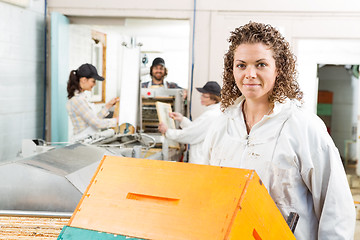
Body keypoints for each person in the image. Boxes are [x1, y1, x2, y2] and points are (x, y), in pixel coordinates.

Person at [201, 22, 355, 239]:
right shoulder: (220, 126)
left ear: (279, 68)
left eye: (261, 64)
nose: (250, 74)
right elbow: (209, 195)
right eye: (241, 65)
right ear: (231, 69)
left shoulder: (304, 127)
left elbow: (336, 209)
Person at [158, 81, 222, 164]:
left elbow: (190, 135)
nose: (201, 98)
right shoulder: (215, 112)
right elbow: (197, 129)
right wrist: (182, 119)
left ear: (214, 99)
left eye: (204, 96)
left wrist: (167, 131)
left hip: (201, 161)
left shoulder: (211, 115)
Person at [66, 63, 119, 141]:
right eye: (93, 81)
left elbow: (93, 120)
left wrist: (108, 106)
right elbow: (96, 123)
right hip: (82, 143)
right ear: (84, 80)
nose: (94, 84)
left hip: (87, 140)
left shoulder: (82, 97)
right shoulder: (77, 100)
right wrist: (116, 120)